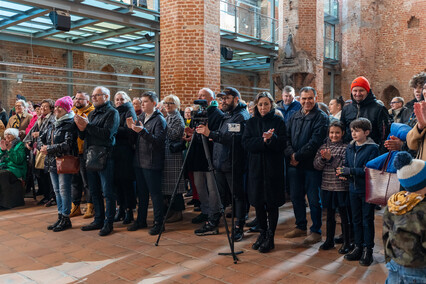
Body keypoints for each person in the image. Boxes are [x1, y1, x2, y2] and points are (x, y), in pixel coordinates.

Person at [196, 87, 250, 241]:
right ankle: (213, 221)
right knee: (218, 195)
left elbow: (233, 138)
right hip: (220, 162)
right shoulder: (227, 115)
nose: (223, 101)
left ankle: (239, 227)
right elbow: (222, 137)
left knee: (237, 197)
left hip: (233, 163)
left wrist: (210, 134)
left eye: (226, 98)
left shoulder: (241, 116)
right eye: (221, 99)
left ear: (236, 99)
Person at [242, 91, 286, 253]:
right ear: (256, 106)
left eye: (266, 104)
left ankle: (271, 237)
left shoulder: (278, 121)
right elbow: (246, 143)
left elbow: (283, 142)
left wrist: (271, 140)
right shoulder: (251, 122)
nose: (263, 107)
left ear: (271, 105)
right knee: (258, 202)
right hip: (256, 168)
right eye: (260, 104)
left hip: (273, 168)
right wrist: (263, 140)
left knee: (271, 203)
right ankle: (262, 233)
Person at [283, 87, 329, 244]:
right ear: (299, 99)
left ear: (315, 98)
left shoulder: (321, 117)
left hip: (311, 165)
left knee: (314, 199)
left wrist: (297, 156)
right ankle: (300, 226)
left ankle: (316, 230)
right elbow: (286, 137)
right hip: (294, 165)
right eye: (304, 98)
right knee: (296, 197)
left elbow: (315, 141)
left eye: (310, 98)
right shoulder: (295, 116)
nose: (307, 101)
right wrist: (291, 154)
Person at [75, 86, 119, 237]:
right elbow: (84, 136)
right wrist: (81, 128)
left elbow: (107, 134)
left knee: (107, 192)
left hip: (105, 156)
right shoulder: (93, 113)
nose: (93, 98)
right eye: (93, 96)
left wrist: (88, 125)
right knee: (94, 191)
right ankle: (98, 219)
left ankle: (108, 222)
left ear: (106, 97)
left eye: (97, 95)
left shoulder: (112, 113)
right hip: (90, 155)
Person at [337, 118, 380, 266]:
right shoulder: (350, 147)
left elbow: (370, 170)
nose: (353, 133)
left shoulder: (372, 148)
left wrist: (351, 171)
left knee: (367, 220)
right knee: (355, 220)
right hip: (353, 189)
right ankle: (358, 247)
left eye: (357, 131)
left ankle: (368, 250)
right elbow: (347, 164)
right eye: (352, 130)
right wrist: (344, 173)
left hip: (367, 190)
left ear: (366, 132)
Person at [126, 91, 167, 235]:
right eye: (141, 101)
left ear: (154, 103)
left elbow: (158, 143)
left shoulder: (159, 120)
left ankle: (159, 223)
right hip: (139, 161)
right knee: (141, 194)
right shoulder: (142, 116)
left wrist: (142, 131)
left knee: (155, 194)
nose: (142, 104)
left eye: (145, 102)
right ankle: (141, 220)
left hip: (152, 162)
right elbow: (135, 139)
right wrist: (131, 129)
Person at [383, 151, 426, 283]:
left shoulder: (393, 203)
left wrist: (390, 258)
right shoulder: (422, 209)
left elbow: (386, 235)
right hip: (418, 268)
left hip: (395, 263)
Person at [185, 88, 223, 232]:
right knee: (200, 186)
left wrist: (207, 133)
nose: (200, 97)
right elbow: (195, 130)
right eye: (199, 95)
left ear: (211, 98)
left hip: (210, 154)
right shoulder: (197, 113)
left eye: (204, 96)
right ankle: (205, 211)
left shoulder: (217, 114)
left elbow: (215, 134)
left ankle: (214, 214)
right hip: (197, 154)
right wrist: (191, 134)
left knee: (212, 188)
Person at [39, 96, 78, 232]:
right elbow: (41, 137)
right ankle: (60, 216)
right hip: (51, 161)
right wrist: (41, 147)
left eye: (59, 107)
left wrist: (48, 149)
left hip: (64, 161)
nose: (56, 109)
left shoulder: (70, 123)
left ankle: (66, 217)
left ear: (66, 108)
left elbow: (68, 145)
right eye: (55, 106)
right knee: (56, 191)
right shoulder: (53, 122)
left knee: (64, 190)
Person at [313, 121, 351, 253]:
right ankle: (329, 240)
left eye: (337, 133)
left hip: (341, 186)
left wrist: (330, 159)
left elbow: (343, 167)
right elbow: (316, 166)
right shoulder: (323, 146)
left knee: (343, 215)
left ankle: (347, 241)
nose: (334, 135)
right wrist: (323, 159)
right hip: (326, 186)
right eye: (331, 132)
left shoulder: (346, 148)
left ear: (343, 133)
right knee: (329, 215)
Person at [340, 76, 390, 152]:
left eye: (361, 90)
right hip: (350, 150)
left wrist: (379, 152)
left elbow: (384, 134)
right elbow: (342, 129)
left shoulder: (379, 109)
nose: (357, 93)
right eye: (355, 90)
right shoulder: (346, 109)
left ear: (368, 91)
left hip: (371, 150)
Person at [24, 99, 56, 206]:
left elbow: (52, 131)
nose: (43, 109)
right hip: (39, 149)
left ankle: (52, 197)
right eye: (42, 107)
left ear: (51, 108)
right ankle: (46, 195)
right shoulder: (40, 118)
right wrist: (28, 141)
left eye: (46, 107)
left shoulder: (52, 118)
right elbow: (32, 131)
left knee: (47, 175)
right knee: (40, 174)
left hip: (47, 149)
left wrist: (40, 133)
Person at [112, 91, 137, 225]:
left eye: (122, 99)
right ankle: (120, 209)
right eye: (117, 99)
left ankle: (129, 211)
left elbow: (130, 131)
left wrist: (114, 130)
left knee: (127, 183)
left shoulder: (129, 111)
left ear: (126, 100)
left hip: (126, 152)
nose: (119, 101)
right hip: (116, 152)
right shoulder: (115, 111)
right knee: (117, 183)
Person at [70, 91, 95, 218]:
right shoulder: (72, 112)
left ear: (87, 100)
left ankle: (91, 206)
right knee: (74, 181)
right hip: (74, 152)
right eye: (76, 99)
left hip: (87, 151)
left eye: (81, 99)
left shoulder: (92, 112)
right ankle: (75, 206)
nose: (77, 101)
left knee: (87, 181)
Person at [162, 95, 185, 223]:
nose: (168, 105)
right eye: (166, 103)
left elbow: (175, 134)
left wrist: (162, 126)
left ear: (176, 104)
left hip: (173, 155)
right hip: (166, 155)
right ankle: (170, 209)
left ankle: (178, 212)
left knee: (175, 186)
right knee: (168, 186)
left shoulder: (177, 118)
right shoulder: (167, 117)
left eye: (170, 103)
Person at [0, 128, 27, 209]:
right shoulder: (4, 143)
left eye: (9, 134)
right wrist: (2, 150)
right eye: (5, 134)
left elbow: (18, 160)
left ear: (14, 136)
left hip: (16, 169)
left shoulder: (20, 145)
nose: (7, 136)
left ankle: (5, 204)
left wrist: (9, 150)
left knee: (2, 175)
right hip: (5, 167)